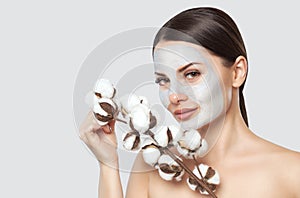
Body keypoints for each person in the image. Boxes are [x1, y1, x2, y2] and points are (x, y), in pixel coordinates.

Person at [79, 7, 300, 198]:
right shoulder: (151, 166)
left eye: (192, 74)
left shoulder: (292, 172)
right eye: (163, 80)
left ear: (237, 72)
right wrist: (108, 163)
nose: (174, 95)